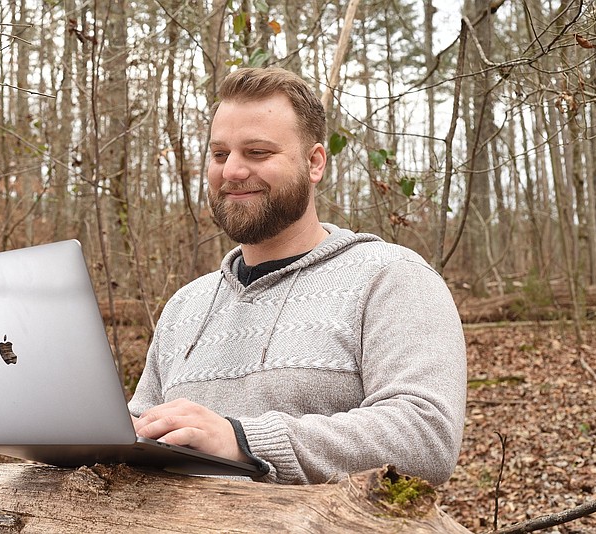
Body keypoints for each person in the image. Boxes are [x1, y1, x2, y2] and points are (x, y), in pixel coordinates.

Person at [129, 67, 467, 485]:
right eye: (219, 154)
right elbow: (136, 431)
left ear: (314, 162)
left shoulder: (391, 277)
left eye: (257, 152)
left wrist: (242, 439)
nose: (231, 171)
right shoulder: (185, 305)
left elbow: (425, 436)